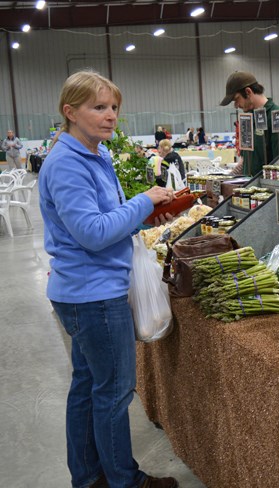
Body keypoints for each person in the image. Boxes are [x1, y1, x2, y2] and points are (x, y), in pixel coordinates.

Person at [38, 70, 178, 488]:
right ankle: (124, 480)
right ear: (70, 112)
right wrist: (142, 201)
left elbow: (104, 220)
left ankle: (88, 476)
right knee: (114, 391)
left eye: (114, 107)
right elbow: (93, 233)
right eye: (98, 107)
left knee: (88, 385)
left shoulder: (94, 154)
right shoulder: (68, 164)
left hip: (84, 289)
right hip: (94, 294)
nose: (110, 115)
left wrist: (146, 213)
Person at [219, 71, 279, 176]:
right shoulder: (248, 119)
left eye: (237, 99)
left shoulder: (277, 117)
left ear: (248, 92)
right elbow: (246, 161)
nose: (236, 105)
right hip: (248, 189)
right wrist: (228, 178)